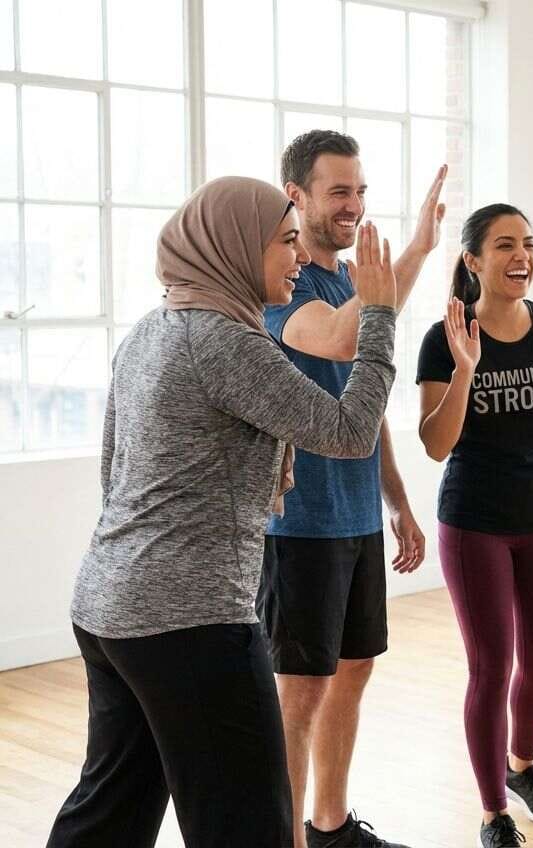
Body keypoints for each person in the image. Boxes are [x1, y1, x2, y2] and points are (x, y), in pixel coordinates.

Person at [47, 177, 399, 847]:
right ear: (237, 247)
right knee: (248, 828)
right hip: (189, 621)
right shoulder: (223, 342)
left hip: (107, 605)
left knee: (111, 809)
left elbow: (112, 468)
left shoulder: (152, 329)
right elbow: (350, 431)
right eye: (286, 241)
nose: (300, 257)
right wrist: (379, 315)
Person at [255, 129, 446, 848]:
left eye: (360, 191)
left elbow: (367, 404)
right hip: (298, 524)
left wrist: (397, 503)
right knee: (300, 691)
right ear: (295, 195)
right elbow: (338, 339)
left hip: (357, 515)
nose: (354, 205)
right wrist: (402, 270)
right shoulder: (282, 283)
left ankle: (330, 828)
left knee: (355, 667)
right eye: (339, 191)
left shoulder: (345, 281)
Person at [416, 203, 533, 848]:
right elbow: (436, 444)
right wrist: (465, 368)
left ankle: (522, 768)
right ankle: (494, 814)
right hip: (475, 524)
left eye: (529, 244)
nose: (522, 257)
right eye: (506, 245)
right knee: (491, 667)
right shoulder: (444, 338)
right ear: (474, 260)